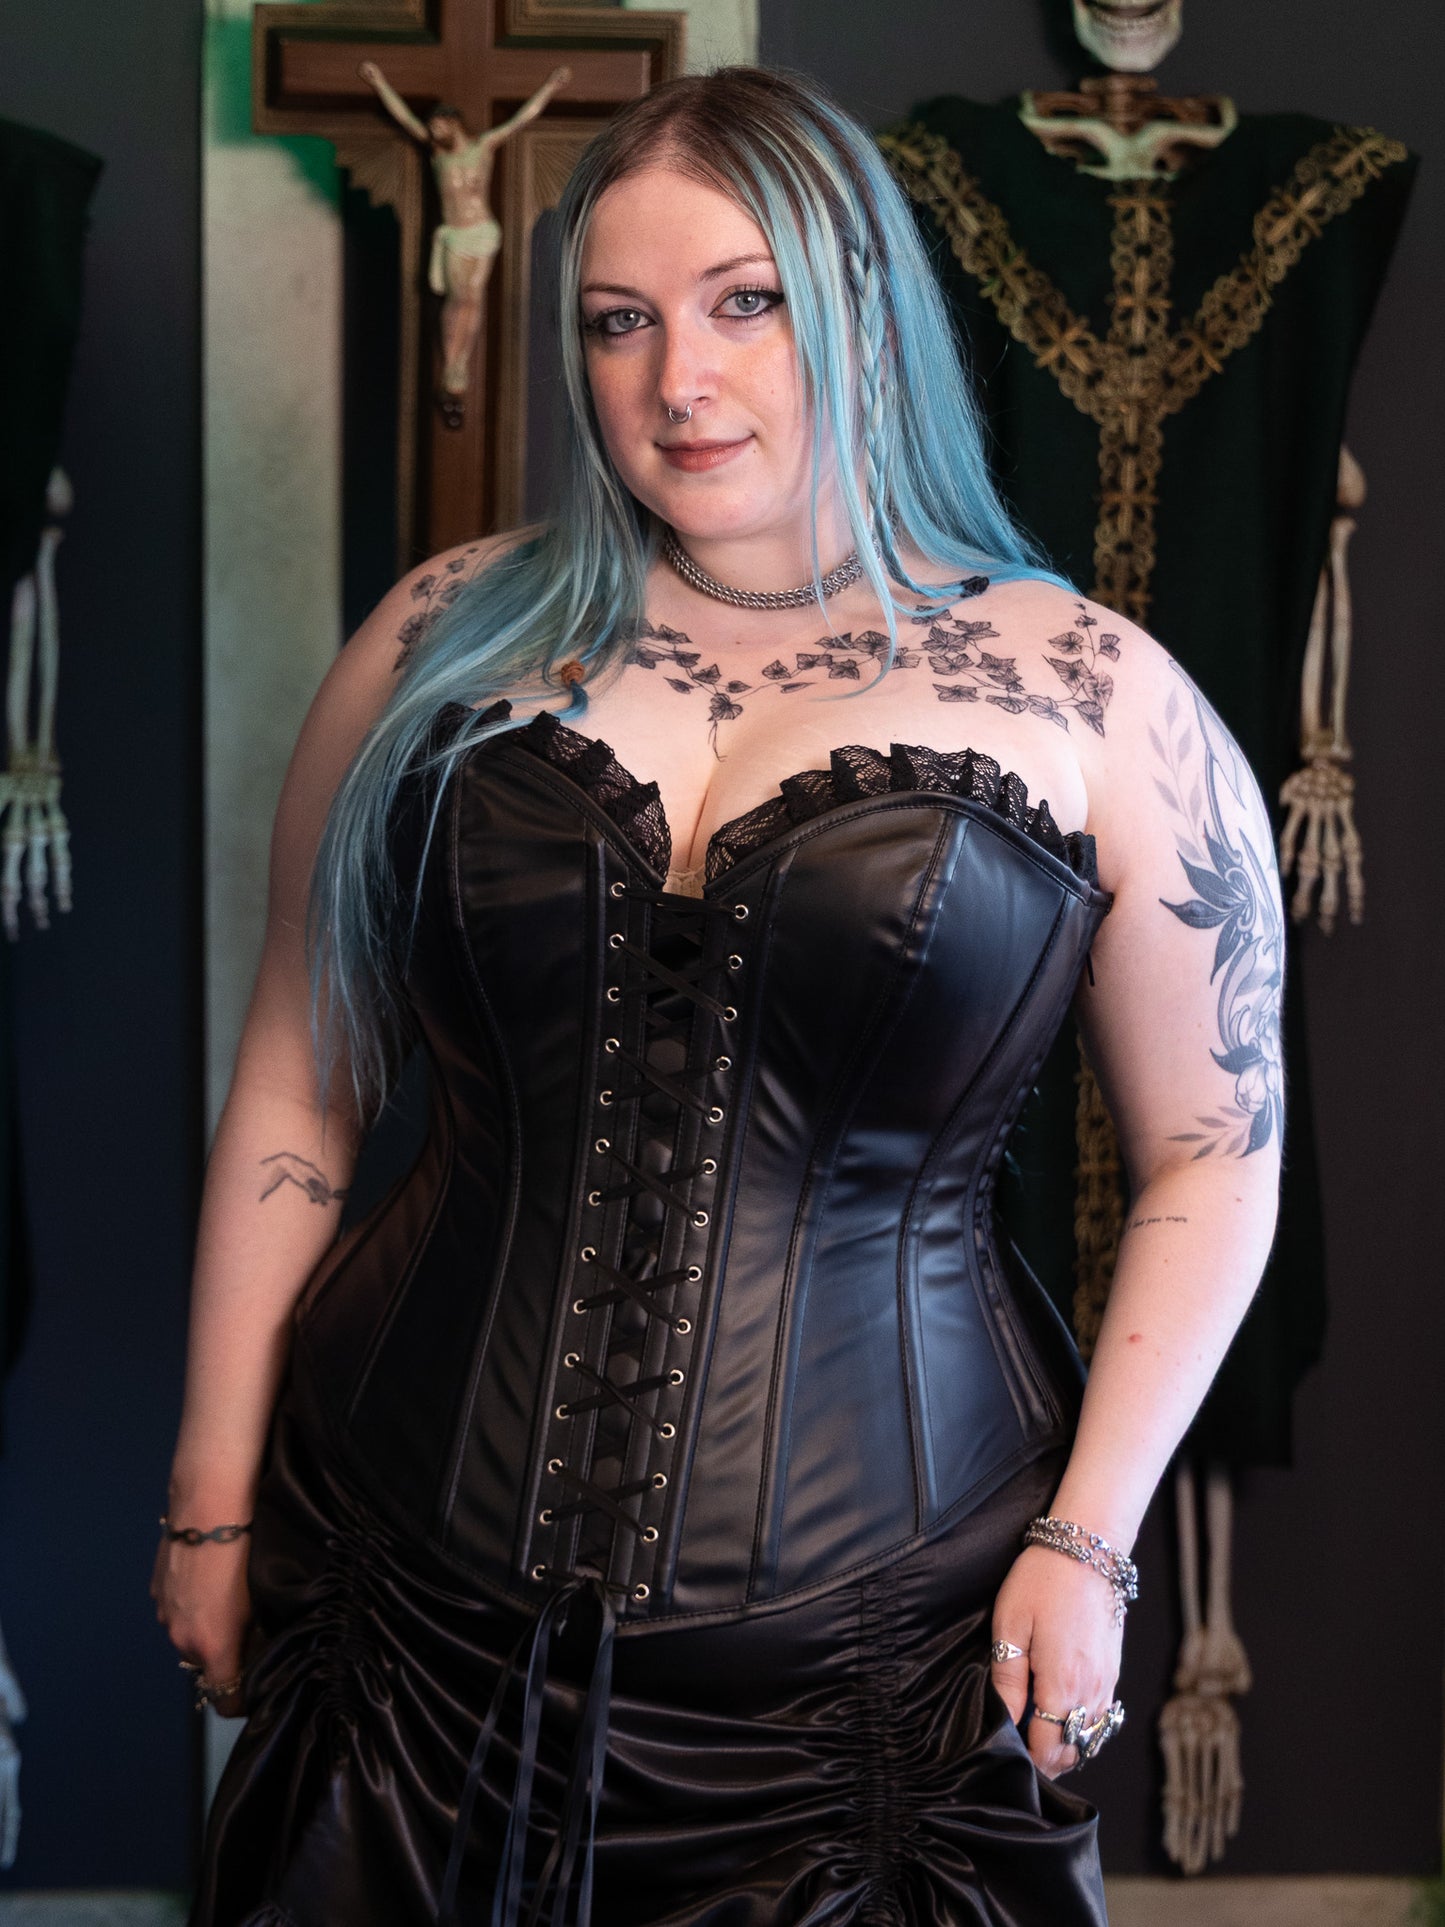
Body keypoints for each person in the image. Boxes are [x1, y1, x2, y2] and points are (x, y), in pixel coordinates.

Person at [155, 65, 1283, 1927]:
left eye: (741, 302)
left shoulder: (1094, 695)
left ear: (862, 307)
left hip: (878, 1658)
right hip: (403, 1598)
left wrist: (1089, 1541)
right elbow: (300, 1080)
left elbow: (1212, 1156)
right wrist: (212, 1495)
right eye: (620, 321)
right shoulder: (440, 637)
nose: (677, 379)